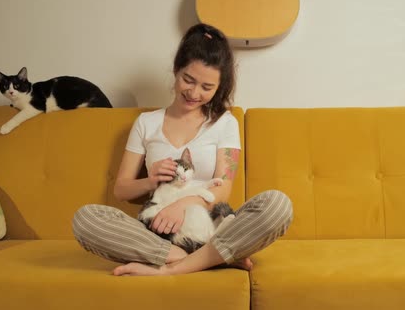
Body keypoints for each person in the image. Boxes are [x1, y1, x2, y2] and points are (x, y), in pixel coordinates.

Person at [72, 23, 293, 276]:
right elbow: (121, 189)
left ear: (218, 88)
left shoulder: (225, 123)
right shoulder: (146, 123)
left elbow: (223, 189)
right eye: (188, 80)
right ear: (176, 70)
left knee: (277, 205)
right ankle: (204, 257)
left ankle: (171, 268)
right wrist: (150, 180)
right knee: (86, 219)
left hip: (210, 224)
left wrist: (184, 204)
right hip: (161, 232)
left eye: (207, 88)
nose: (194, 93)